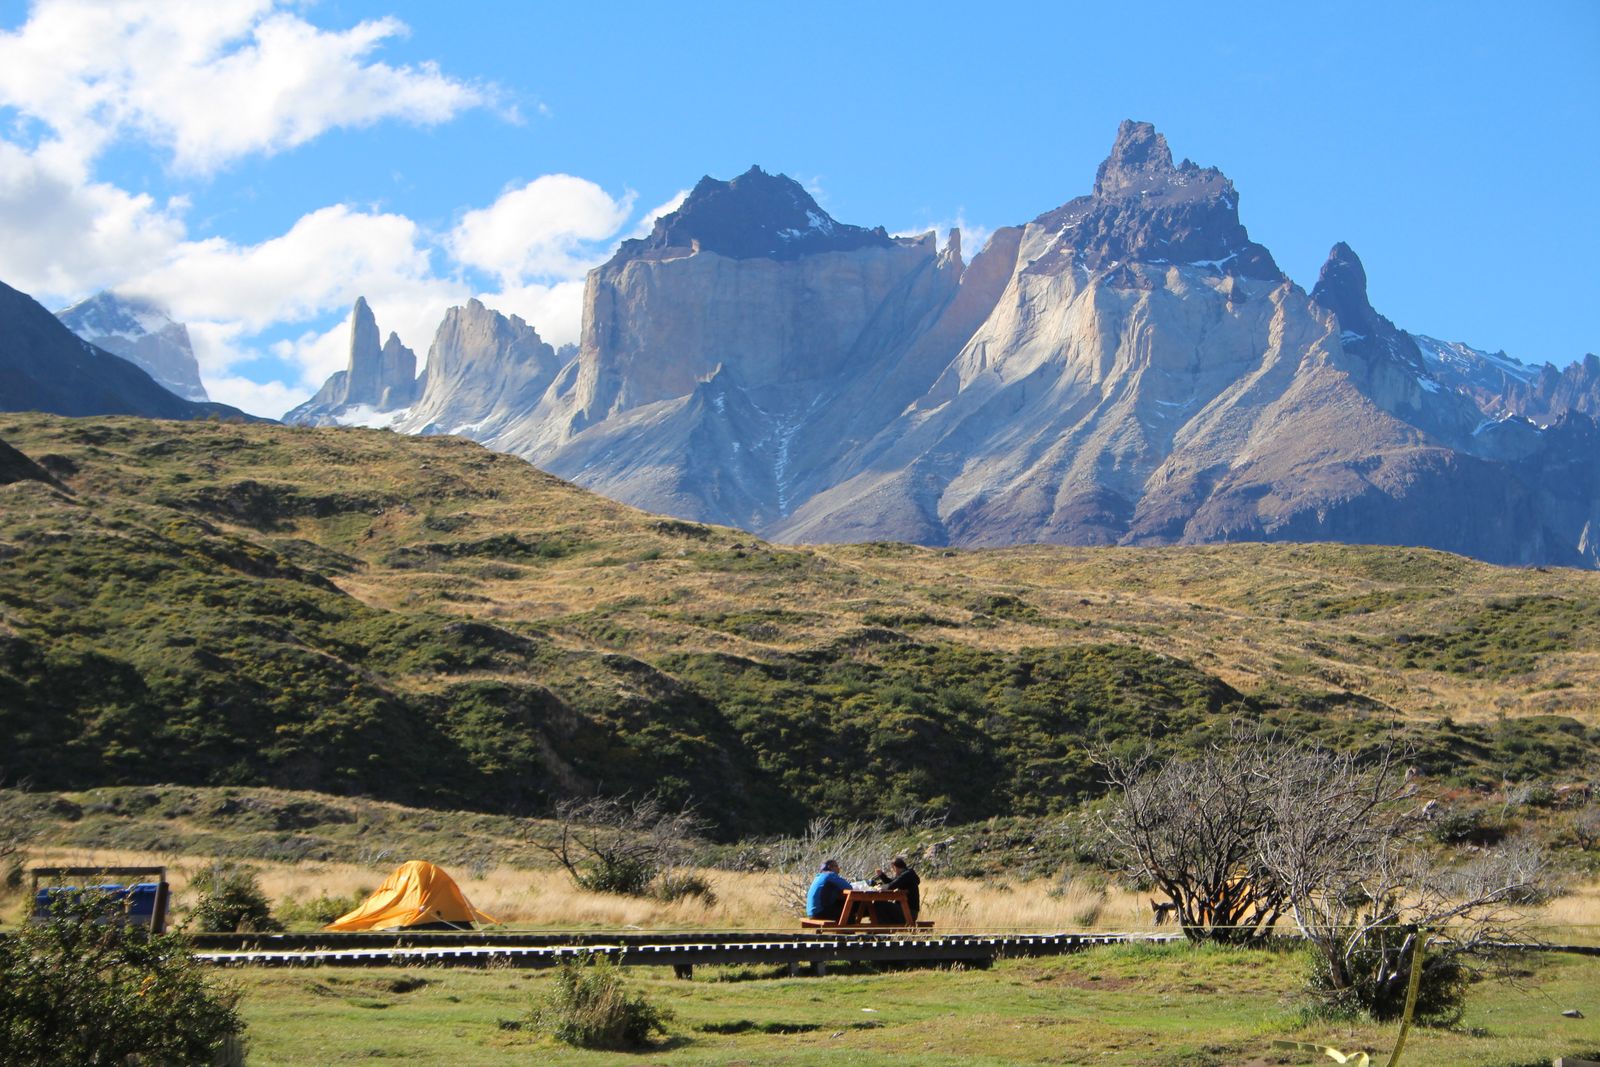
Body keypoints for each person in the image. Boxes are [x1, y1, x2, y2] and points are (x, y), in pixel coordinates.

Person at [870, 856, 920, 923]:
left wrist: (881, 888)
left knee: (879, 903)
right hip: (907, 911)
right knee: (879, 903)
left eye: (892, 868)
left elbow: (892, 885)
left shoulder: (907, 875)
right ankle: (880, 927)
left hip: (909, 913)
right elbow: (892, 882)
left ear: (895, 867)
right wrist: (882, 875)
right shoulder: (906, 874)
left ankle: (882, 928)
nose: (893, 870)